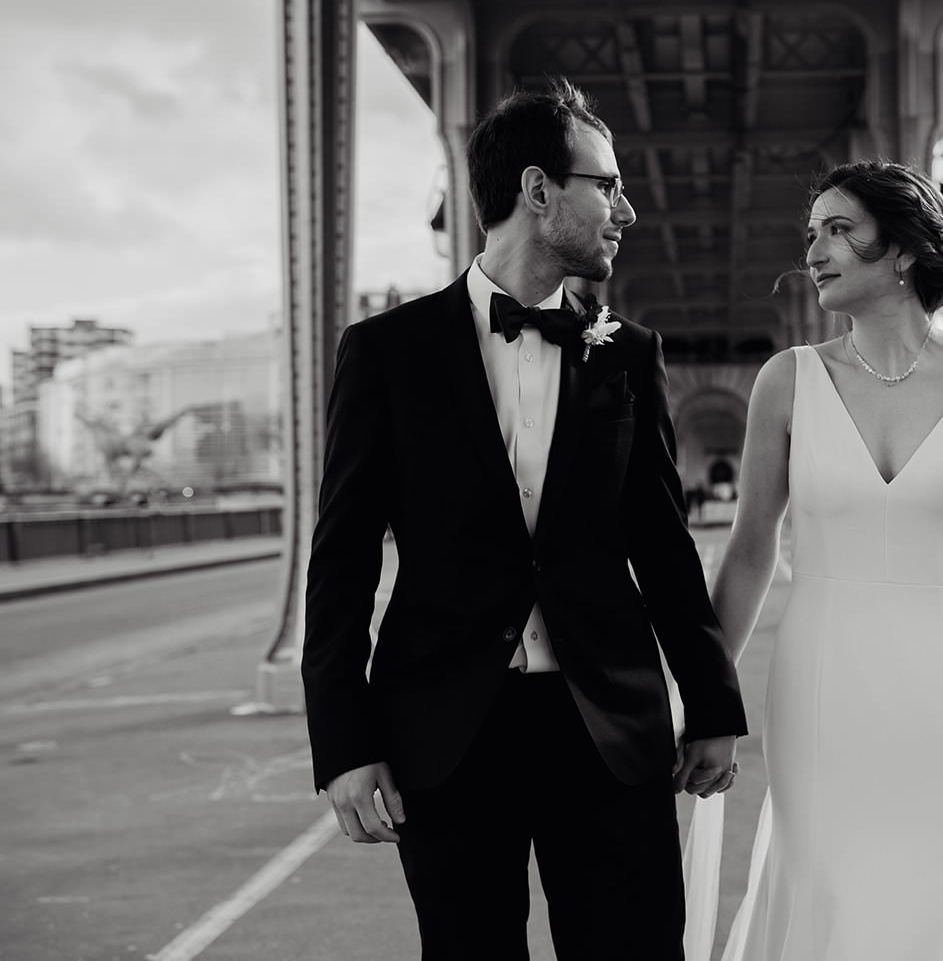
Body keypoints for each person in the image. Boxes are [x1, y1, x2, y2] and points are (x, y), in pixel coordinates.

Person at [302, 78, 748, 960]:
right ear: (539, 191)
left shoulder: (629, 354)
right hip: (447, 732)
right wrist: (343, 744)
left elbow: (663, 546)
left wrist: (711, 704)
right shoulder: (386, 353)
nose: (625, 208)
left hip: (610, 728)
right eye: (607, 185)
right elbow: (342, 560)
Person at [704, 159, 943, 959]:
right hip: (824, 683)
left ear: (901, 250)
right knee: (823, 893)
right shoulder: (787, 381)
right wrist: (705, 697)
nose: (815, 249)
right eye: (812, 233)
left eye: (839, 229)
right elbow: (750, 547)